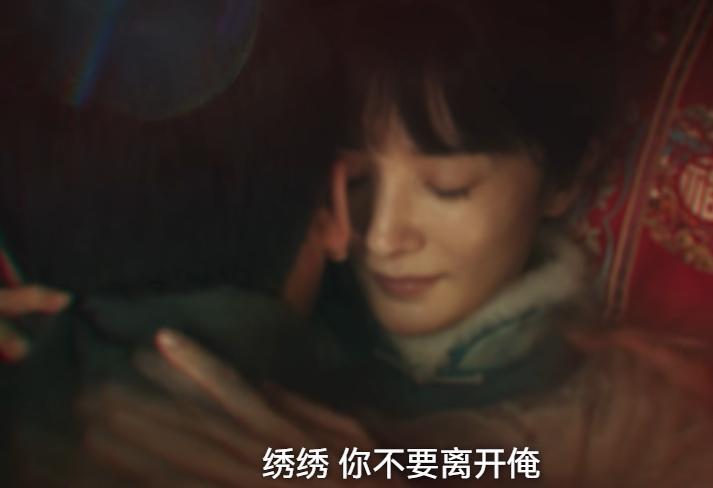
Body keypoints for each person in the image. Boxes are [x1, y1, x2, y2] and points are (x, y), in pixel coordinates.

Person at [82, 2, 713, 487]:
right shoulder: (266, 304)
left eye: (447, 188)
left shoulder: (628, 417)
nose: (381, 237)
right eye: (356, 180)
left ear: (565, 179)